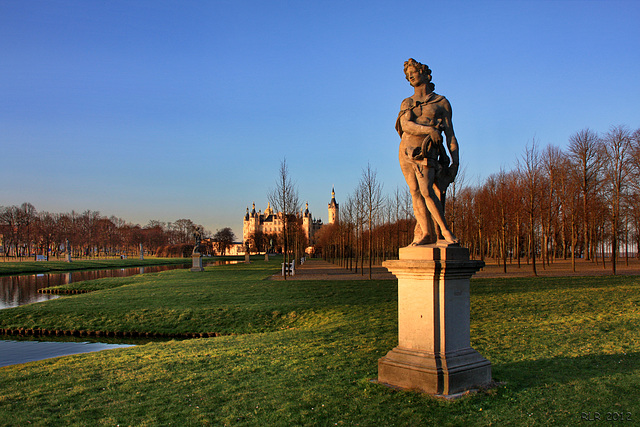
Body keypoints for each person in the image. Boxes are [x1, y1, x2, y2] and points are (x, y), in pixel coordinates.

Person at [396, 58, 459, 245]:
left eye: (413, 72)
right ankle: (426, 233)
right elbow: (405, 125)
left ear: (425, 73)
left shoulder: (441, 103)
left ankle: (445, 232)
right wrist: (429, 130)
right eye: (408, 75)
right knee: (415, 191)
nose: (410, 76)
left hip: (426, 151)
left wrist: (455, 162)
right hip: (406, 151)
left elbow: (450, 136)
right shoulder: (408, 102)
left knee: (426, 190)